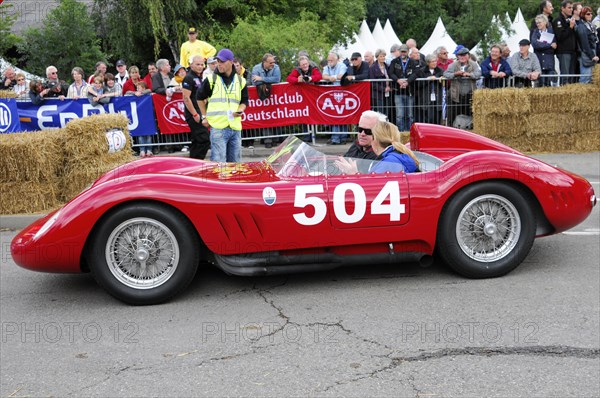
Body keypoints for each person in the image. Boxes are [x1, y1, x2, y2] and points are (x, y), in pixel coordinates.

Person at [197, 48, 249, 162]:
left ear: (231, 62)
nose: (219, 64)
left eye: (222, 61)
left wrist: (240, 110)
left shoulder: (241, 81)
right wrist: (204, 116)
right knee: (218, 163)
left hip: (235, 126)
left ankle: (233, 180)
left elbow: (244, 100)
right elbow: (199, 98)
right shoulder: (211, 79)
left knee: (235, 163)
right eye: (218, 61)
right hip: (218, 127)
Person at [335, 121, 419, 174]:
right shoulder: (396, 155)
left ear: (375, 139)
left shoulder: (389, 162)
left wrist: (354, 174)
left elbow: (373, 191)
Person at [443, 47, 481, 127]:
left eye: (464, 55)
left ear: (468, 55)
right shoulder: (453, 65)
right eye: (460, 55)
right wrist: (455, 74)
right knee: (453, 115)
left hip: (469, 95)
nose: (462, 57)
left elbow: (478, 74)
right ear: (457, 56)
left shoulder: (474, 64)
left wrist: (469, 74)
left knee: (468, 115)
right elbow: (446, 74)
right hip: (455, 96)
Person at [182, 55, 210, 159]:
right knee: (204, 139)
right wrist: (194, 114)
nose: (200, 66)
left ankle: (194, 163)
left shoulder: (200, 77)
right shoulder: (189, 77)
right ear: (191, 65)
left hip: (200, 111)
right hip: (193, 113)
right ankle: (197, 162)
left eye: (202, 64)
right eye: (197, 64)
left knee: (197, 140)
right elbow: (186, 98)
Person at [251, 53, 282, 148]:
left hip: (275, 97)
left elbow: (277, 79)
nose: (273, 64)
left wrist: (262, 78)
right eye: (270, 62)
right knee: (265, 117)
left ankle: (276, 139)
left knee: (276, 116)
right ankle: (267, 140)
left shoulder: (276, 67)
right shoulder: (256, 68)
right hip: (262, 97)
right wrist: (268, 80)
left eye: (273, 62)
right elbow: (254, 82)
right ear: (264, 62)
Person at [322, 52, 349, 144]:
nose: (329, 62)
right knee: (334, 115)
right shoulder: (327, 67)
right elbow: (324, 76)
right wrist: (331, 78)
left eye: (331, 60)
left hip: (343, 93)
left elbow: (341, 76)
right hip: (331, 94)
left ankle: (342, 137)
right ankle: (335, 137)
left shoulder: (342, 66)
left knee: (342, 115)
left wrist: (332, 77)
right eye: (328, 60)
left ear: (336, 59)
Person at [389, 44, 414, 132]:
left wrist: (407, 81)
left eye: (405, 51)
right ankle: (400, 133)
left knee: (410, 115)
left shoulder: (412, 61)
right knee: (400, 115)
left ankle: (409, 133)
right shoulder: (394, 61)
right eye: (401, 51)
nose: (403, 53)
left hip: (410, 91)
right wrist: (398, 80)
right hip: (398, 91)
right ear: (399, 52)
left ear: (408, 52)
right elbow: (390, 73)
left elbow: (415, 73)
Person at [125, 81, 153, 157]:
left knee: (148, 134)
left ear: (143, 88)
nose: (137, 89)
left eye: (139, 88)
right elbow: (127, 92)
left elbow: (149, 90)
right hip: (139, 116)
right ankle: (142, 150)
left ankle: (149, 150)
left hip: (147, 116)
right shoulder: (135, 94)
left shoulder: (147, 94)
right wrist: (135, 93)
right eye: (137, 88)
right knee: (140, 134)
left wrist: (142, 92)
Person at [415, 54, 444, 124]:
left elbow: (444, 83)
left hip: (437, 97)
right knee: (428, 118)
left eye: (435, 61)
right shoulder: (421, 71)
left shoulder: (440, 70)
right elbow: (418, 85)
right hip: (426, 98)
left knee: (437, 117)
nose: (434, 63)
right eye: (432, 61)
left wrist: (440, 78)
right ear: (428, 63)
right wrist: (428, 79)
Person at [553, 0, 578, 84]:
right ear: (562, 8)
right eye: (569, 7)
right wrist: (570, 27)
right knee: (565, 76)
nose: (571, 9)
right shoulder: (558, 21)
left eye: (572, 8)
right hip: (564, 52)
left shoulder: (570, 19)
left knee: (571, 77)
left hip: (572, 51)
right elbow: (560, 36)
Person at [531, 14, 558, 86]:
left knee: (549, 84)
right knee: (539, 84)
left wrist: (541, 44)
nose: (538, 24)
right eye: (537, 23)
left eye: (539, 22)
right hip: (539, 62)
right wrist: (549, 45)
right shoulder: (535, 32)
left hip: (549, 62)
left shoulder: (552, 31)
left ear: (545, 22)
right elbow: (535, 45)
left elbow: (554, 46)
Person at [576, 6, 599, 83]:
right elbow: (584, 44)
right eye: (588, 14)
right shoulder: (581, 26)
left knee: (590, 78)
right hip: (586, 54)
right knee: (585, 78)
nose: (590, 15)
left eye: (591, 13)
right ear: (583, 15)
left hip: (591, 52)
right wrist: (592, 56)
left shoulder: (589, 24)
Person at [369, 49, 392, 122]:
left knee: (387, 112)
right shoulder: (373, 68)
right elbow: (373, 83)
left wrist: (390, 87)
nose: (383, 58)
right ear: (377, 57)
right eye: (381, 56)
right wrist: (383, 89)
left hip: (388, 93)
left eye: (384, 56)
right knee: (379, 113)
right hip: (378, 94)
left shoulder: (387, 66)